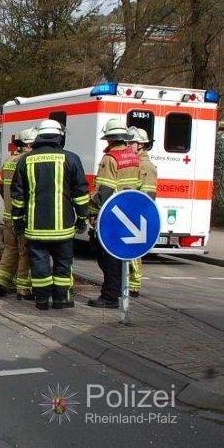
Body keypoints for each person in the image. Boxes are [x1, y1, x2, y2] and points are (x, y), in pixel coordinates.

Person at [10, 119, 89, 310]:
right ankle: (62, 300)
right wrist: (83, 217)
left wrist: (17, 220)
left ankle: (42, 300)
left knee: (39, 266)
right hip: (63, 229)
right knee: (63, 265)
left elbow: (18, 196)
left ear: (38, 137)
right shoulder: (71, 159)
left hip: (35, 229)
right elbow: (80, 193)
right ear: (59, 137)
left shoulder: (25, 161)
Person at [87, 119, 141, 309]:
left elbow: (105, 191)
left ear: (109, 139)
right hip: (128, 212)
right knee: (117, 257)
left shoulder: (110, 158)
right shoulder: (134, 157)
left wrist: (92, 213)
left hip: (110, 214)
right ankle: (116, 291)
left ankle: (110, 296)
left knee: (106, 256)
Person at [0, 127, 37, 299]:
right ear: (31, 144)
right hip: (22, 217)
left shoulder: (9, 161)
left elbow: (2, 188)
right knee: (25, 252)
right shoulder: (27, 161)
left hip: (8, 215)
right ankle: (23, 289)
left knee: (10, 249)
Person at [127, 126, 157, 298]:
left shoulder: (146, 165)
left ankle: (135, 285)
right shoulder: (136, 162)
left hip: (138, 213)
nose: (128, 145)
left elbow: (148, 194)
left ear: (140, 145)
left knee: (134, 252)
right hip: (131, 211)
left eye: (130, 142)